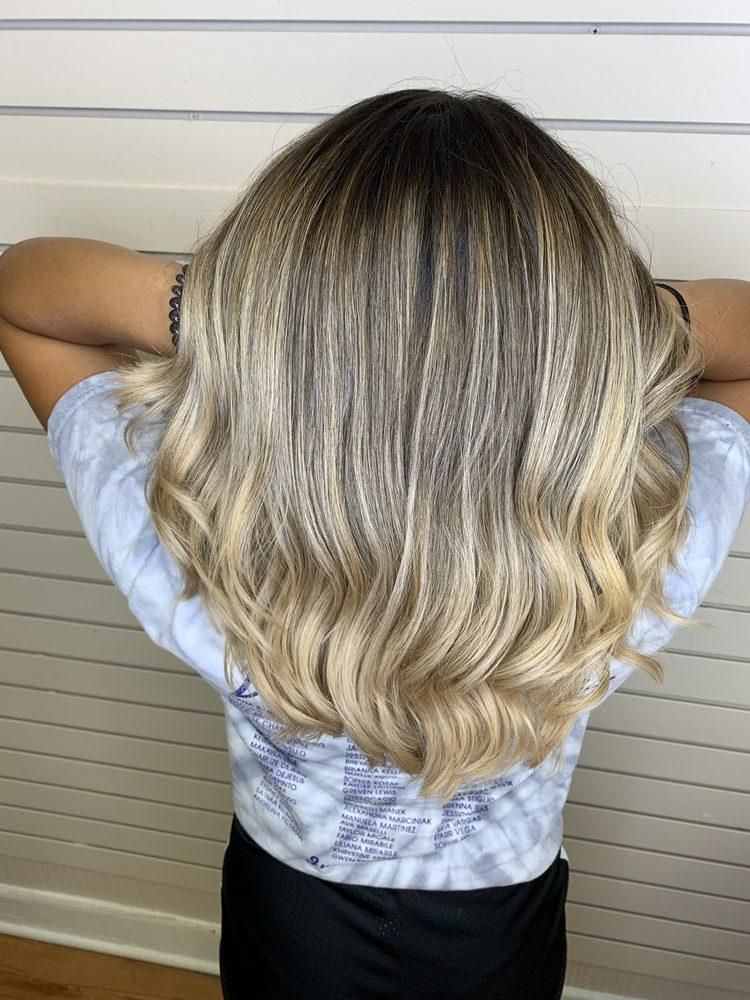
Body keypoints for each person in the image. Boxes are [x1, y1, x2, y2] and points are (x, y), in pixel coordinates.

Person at [0, 87, 748, 1000]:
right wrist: (590, 327)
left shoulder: (190, 536)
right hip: (499, 931)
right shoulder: (627, 554)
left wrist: (240, 314)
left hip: (289, 914)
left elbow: (26, 294)